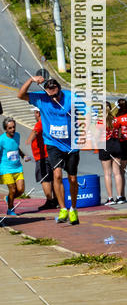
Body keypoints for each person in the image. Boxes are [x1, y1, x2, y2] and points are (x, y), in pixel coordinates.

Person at [17, 76, 81, 225]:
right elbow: (20, 95)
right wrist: (31, 80)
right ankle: (63, 208)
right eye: (50, 96)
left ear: (60, 91)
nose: (54, 98)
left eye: (56, 95)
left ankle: (73, 208)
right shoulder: (41, 98)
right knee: (57, 175)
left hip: (71, 144)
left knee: (72, 178)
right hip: (53, 143)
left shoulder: (70, 97)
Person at [25, 107, 56, 210]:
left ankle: (50, 201)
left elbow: (35, 131)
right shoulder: (48, 121)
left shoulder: (40, 123)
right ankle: (56, 199)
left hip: (42, 156)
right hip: (50, 154)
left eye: (35, 112)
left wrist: (29, 140)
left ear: (38, 113)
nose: (34, 115)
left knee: (44, 178)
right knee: (52, 178)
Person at [1, 117, 31, 216]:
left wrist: (23, 156)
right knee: (13, 190)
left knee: (21, 190)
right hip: (6, 168)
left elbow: (16, 148)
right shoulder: (1, 140)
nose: (13, 129)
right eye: (10, 128)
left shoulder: (17, 136)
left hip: (18, 168)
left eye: (14, 127)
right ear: (6, 129)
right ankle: (10, 209)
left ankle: (9, 198)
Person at [98, 101, 125, 205]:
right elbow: (120, 134)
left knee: (107, 173)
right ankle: (120, 197)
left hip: (105, 145)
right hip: (116, 144)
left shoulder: (99, 121)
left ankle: (110, 198)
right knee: (117, 173)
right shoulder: (116, 120)